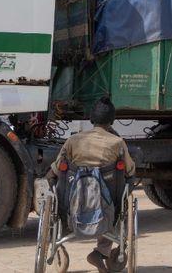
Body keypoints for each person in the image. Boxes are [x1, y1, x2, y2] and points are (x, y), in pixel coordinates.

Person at [51, 98, 135, 273]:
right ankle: (102, 251)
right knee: (120, 203)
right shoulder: (117, 143)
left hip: (72, 202)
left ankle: (59, 239)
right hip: (106, 207)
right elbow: (130, 170)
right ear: (112, 121)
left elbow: (57, 167)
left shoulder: (73, 141)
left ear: (91, 119)